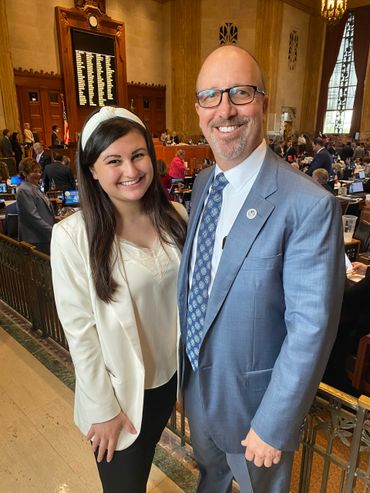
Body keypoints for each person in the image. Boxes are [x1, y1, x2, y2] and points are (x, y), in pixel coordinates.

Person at [177, 45, 345, 493]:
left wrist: (274, 422)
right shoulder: (203, 183)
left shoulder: (308, 205)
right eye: (211, 95)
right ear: (198, 111)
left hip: (257, 409)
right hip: (198, 387)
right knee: (210, 480)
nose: (225, 109)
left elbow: (311, 325)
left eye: (241, 93)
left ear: (264, 104)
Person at [50, 106, 187, 493]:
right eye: (114, 160)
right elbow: (80, 332)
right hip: (119, 396)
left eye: (138, 155)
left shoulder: (175, 216)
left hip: (167, 383)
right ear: (92, 170)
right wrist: (103, 409)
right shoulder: (73, 236)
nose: (131, 170)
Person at [324, 261, 370, 395]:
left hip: (363, 338)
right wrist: (366, 270)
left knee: (335, 331)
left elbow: (349, 296)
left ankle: (338, 389)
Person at [16, 157, 55, 254]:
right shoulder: (24, 190)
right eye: (34, 171)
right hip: (36, 239)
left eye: (39, 171)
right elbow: (33, 217)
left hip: (43, 236)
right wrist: (53, 231)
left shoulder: (34, 187)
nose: (38, 174)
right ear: (24, 173)